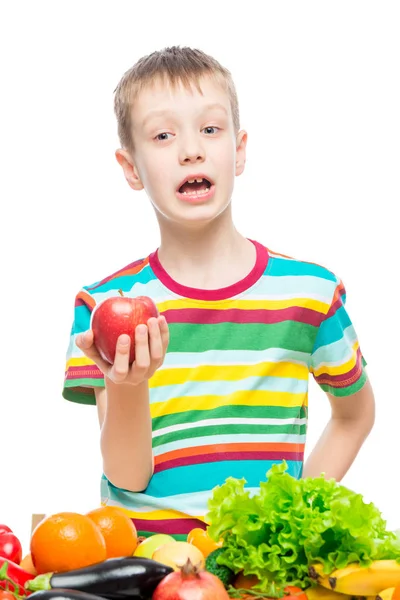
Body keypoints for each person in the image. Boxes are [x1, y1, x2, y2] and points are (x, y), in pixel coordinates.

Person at [63, 46, 375, 540]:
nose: (191, 149)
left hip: (261, 585)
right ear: (131, 168)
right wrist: (128, 383)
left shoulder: (309, 293)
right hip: (150, 574)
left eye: (210, 129)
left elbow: (356, 415)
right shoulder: (103, 304)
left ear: (240, 149)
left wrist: (295, 516)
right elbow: (127, 476)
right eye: (163, 135)